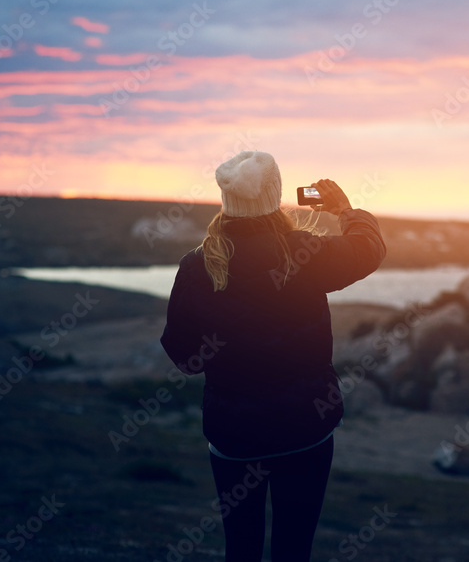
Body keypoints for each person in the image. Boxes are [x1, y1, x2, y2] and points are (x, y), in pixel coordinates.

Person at [159, 151, 386, 561]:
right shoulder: (302, 252)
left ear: (227, 199)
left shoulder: (196, 267)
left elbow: (185, 357)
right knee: (293, 548)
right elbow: (368, 250)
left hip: (233, 434)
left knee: (240, 549)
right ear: (276, 195)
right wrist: (345, 211)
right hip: (305, 428)